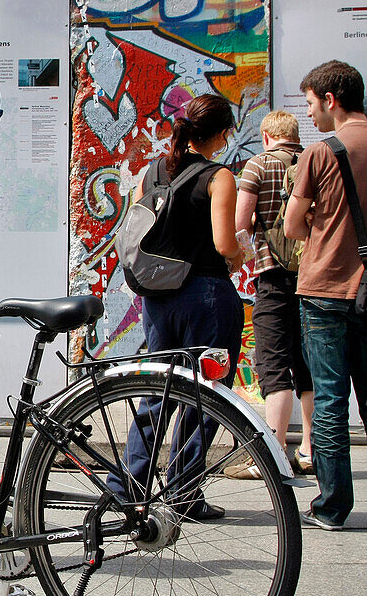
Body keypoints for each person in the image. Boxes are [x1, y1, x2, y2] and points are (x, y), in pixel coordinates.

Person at [111, 93, 245, 521]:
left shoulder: (149, 172)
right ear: (223, 135)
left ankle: (127, 490)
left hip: (158, 299)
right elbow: (225, 244)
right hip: (206, 295)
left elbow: (135, 232)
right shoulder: (218, 176)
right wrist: (240, 254)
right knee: (203, 397)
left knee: (155, 392)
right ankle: (185, 492)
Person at [285, 59, 367, 532]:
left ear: (331, 100)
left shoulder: (320, 154)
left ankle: (332, 507)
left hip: (324, 288)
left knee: (332, 400)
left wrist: (320, 213)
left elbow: (294, 226)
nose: (311, 113)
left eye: (312, 103)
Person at [228, 111, 314, 478]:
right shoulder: (313, 160)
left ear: (266, 136)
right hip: (312, 276)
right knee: (307, 365)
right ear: (293, 136)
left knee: (274, 366)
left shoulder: (257, 166)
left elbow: (239, 223)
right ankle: (310, 450)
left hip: (273, 277)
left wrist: (247, 248)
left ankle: (275, 454)